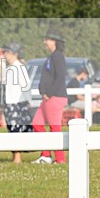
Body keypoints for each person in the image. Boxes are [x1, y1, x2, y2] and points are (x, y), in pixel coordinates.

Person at [31, 29, 68, 164]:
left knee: (55, 127)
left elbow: (60, 76)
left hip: (55, 97)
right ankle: (46, 155)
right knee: (37, 124)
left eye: (47, 39)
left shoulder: (57, 56)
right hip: (48, 98)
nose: (45, 42)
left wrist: (50, 93)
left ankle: (60, 159)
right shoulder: (52, 56)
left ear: (54, 41)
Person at [1, 42, 32, 163]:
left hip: (17, 104)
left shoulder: (19, 67)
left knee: (16, 130)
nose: (5, 55)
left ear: (13, 53)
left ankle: (18, 157)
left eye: (6, 52)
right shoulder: (10, 68)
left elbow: (26, 87)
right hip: (9, 103)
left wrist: (27, 102)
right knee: (11, 129)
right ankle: (15, 156)